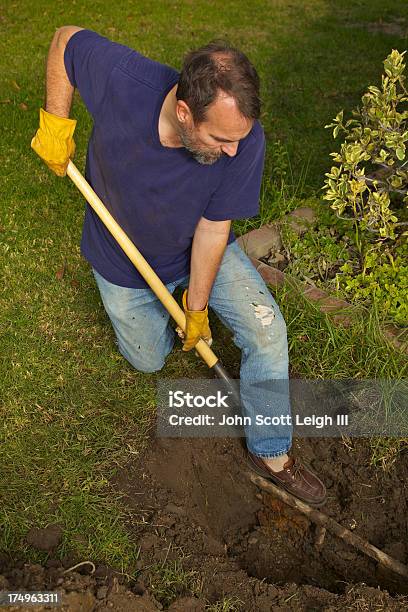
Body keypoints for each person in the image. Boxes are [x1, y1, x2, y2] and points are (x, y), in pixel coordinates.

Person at [31, 26, 326, 506]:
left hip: (196, 245)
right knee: (149, 359)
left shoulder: (243, 142)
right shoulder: (125, 81)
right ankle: (155, 317)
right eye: (220, 138)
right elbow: (64, 39)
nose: (233, 150)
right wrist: (55, 120)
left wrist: (198, 303)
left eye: (239, 139)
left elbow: (214, 228)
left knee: (268, 332)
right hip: (123, 259)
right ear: (184, 113)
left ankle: (271, 452)